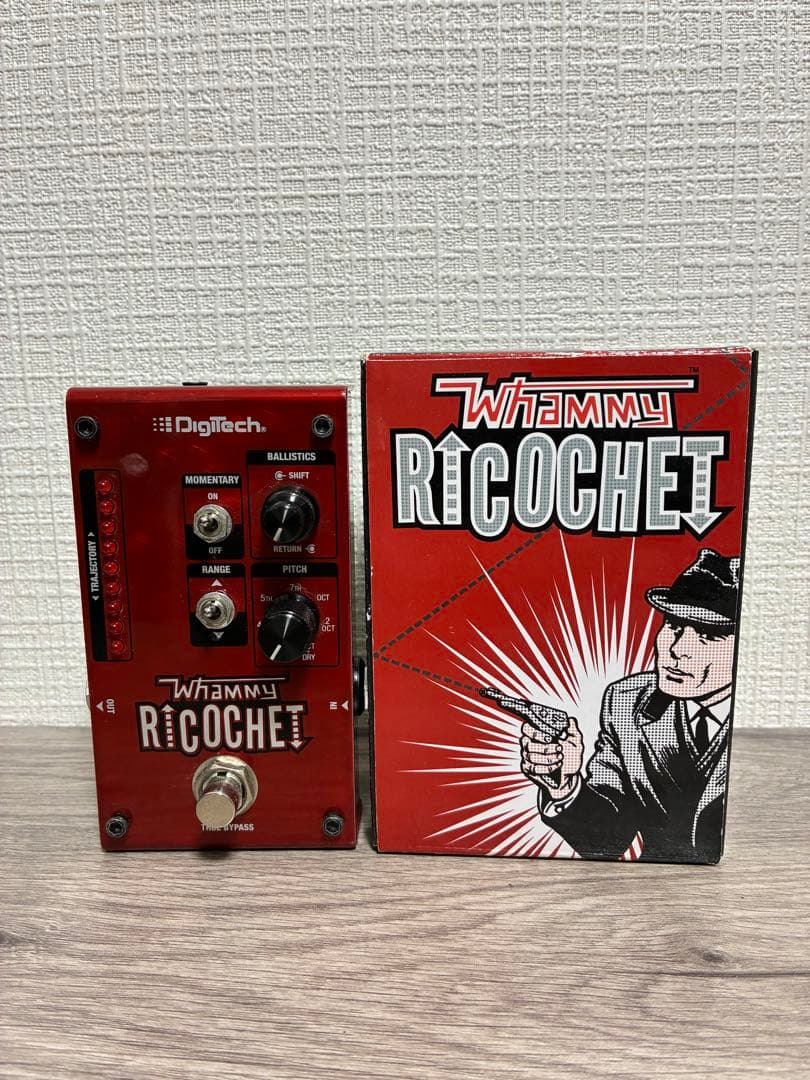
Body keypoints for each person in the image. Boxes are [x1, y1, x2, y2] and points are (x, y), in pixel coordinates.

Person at [490, 549, 740, 863]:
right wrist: (564, 785)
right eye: (674, 626)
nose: (678, 650)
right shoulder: (627, 701)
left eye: (707, 636)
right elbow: (608, 838)